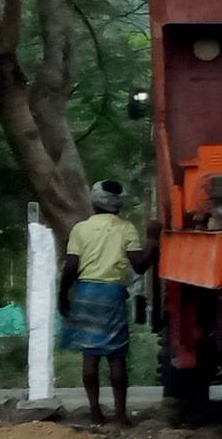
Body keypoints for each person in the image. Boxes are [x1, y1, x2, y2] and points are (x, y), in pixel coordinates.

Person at [59, 181, 153, 424]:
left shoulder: (80, 229)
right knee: (116, 355)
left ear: (94, 201)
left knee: (89, 356)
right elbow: (140, 265)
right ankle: (121, 416)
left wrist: (63, 295)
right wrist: (154, 240)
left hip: (85, 292)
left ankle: (95, 414)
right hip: (112, 294)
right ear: (118, 205)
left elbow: (71, 266)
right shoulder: (126, 229)